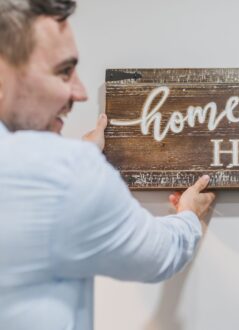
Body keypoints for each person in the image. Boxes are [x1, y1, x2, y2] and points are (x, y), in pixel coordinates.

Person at [0, 1, 215, 329]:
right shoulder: (66, 174)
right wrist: (189, 215)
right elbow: (160, 254)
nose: (82, 92)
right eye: (63, 71)